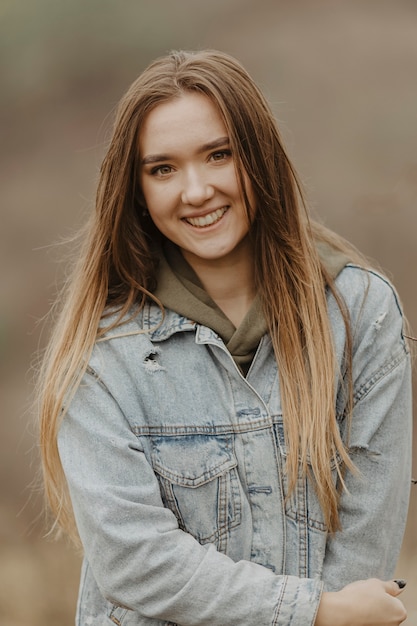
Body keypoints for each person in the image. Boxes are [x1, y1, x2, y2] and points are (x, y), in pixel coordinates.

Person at [38, 50, 412, 625]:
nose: (196, 191)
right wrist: (312, 613)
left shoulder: (362, 315)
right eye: (162, 169)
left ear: (259, 158)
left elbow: (366, 539)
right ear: (136, 190)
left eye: (219, 155)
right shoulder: (102, 355)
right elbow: (135, 561)